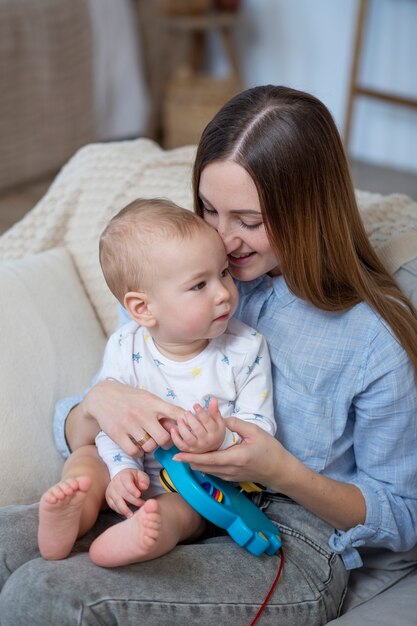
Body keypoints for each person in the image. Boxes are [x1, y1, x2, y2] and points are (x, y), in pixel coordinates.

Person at [1, 85, 416, 626]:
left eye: (249, 221)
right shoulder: (184, 267)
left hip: (285, 531)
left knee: (45, 594)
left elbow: (403, 513)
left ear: (308, 211)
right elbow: (83, 426)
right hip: (156, 483)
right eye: (209, 209)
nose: (221, 238)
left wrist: (283, 472)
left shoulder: (372, 340)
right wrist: (102, 401)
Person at [37, 198, 276, 567]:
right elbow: (109, 425)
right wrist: (122, 473)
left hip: (196, 481)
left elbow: (260, 432)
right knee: (87, 461)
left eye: (224, 273)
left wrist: (219, 441)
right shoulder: (126, 345)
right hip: (125, 461)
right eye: (200, 285)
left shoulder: (245, 350)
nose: (223, 293)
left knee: (188, 513)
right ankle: (75, 510)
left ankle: (148, 532)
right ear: (143, 309)